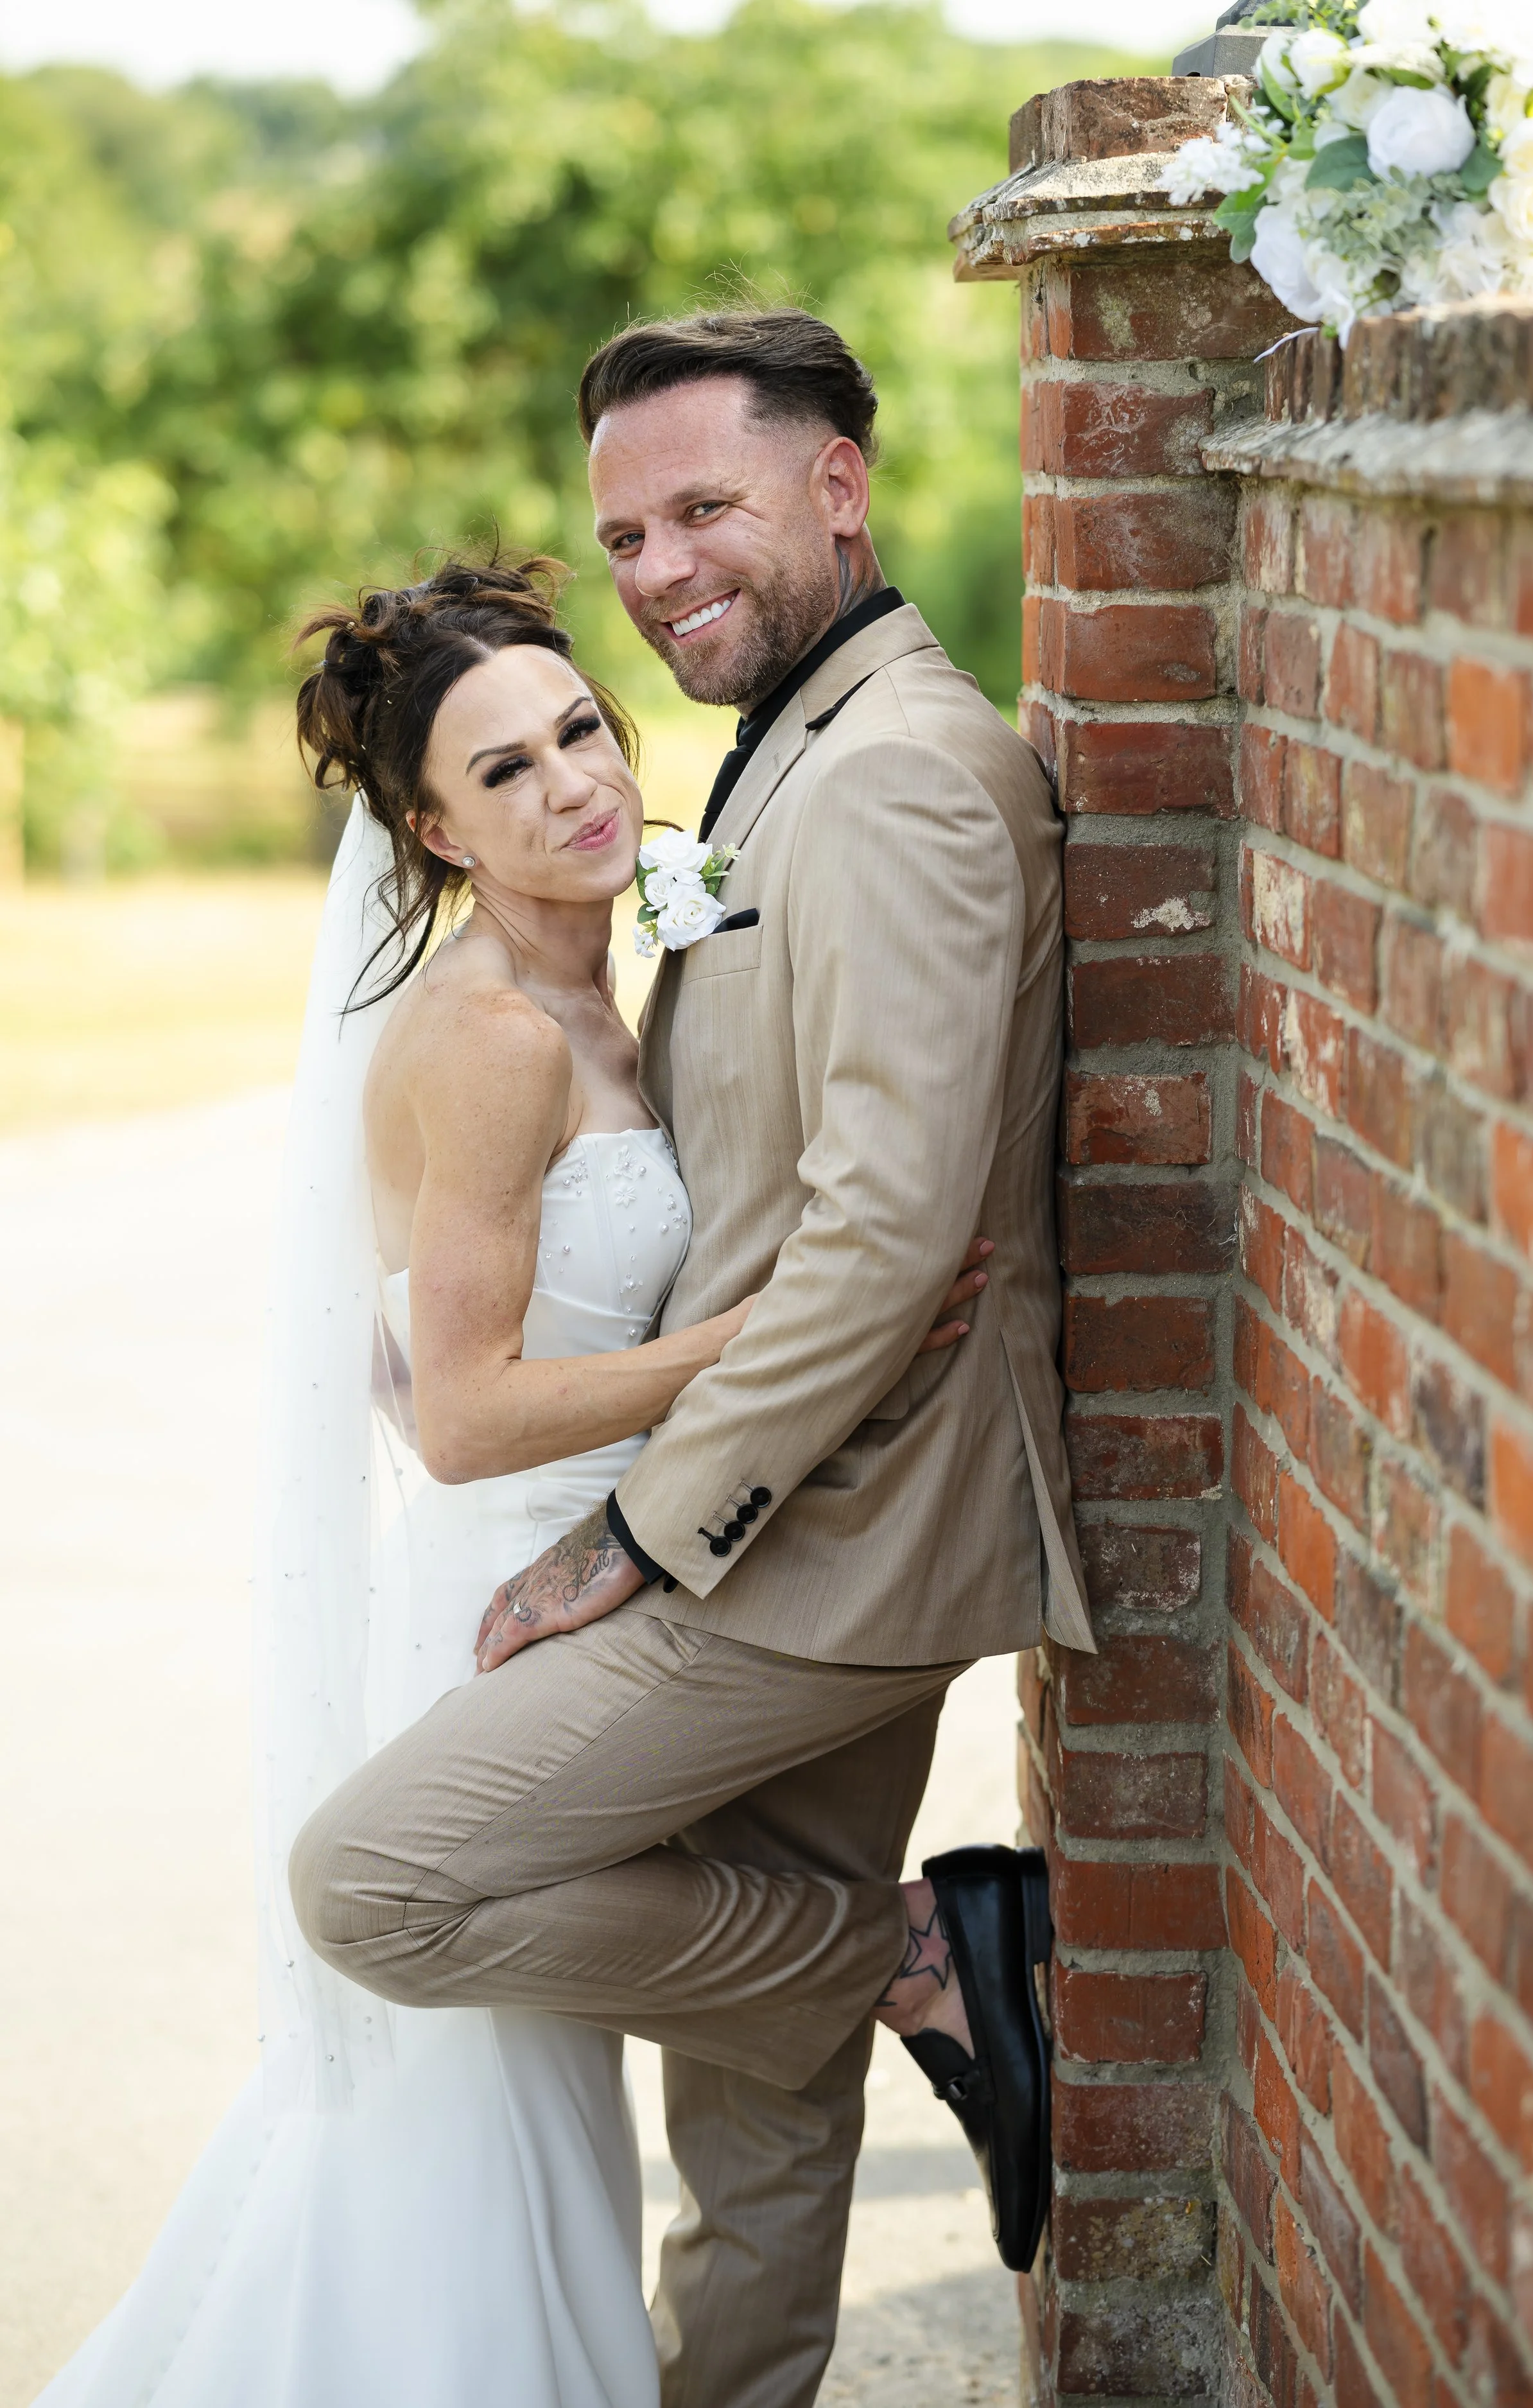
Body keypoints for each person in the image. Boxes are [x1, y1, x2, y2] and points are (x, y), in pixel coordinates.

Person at [31, 553, 994, 2408]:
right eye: (503, 772)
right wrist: (773, 1334)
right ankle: (891, 1952)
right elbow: (465, 1416)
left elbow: (413, 1345)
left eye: (578, 727)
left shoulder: (622, 975)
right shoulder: (487, 1036)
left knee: (558, 2105)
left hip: (653, 1567)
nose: (572, 782)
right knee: (484, 2119)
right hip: (509, 1606)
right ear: (430, 828)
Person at [291, 310, 1095, 2408]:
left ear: (839, 479)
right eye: (624, 532)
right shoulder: (788, 758)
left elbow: (890, 1227)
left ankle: (926, 1954)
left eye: (702, 509)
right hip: (778, 1490)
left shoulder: (902, 773)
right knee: (754, 2123)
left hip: (816, 1530)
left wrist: (642, 1534)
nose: (655, 571)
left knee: (377, 1884)